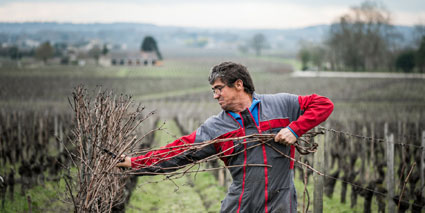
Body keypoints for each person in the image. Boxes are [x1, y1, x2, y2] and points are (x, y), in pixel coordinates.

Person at [117, 61, 334, 213]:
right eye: (213, 90)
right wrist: (135, 162)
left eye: (219, 88)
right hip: (242, 204)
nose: (215, 95)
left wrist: (295, 130)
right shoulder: (215, 127)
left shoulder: (282, 104)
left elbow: (323, 104)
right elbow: (179, 151)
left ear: (238, 84)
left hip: (282, 202)